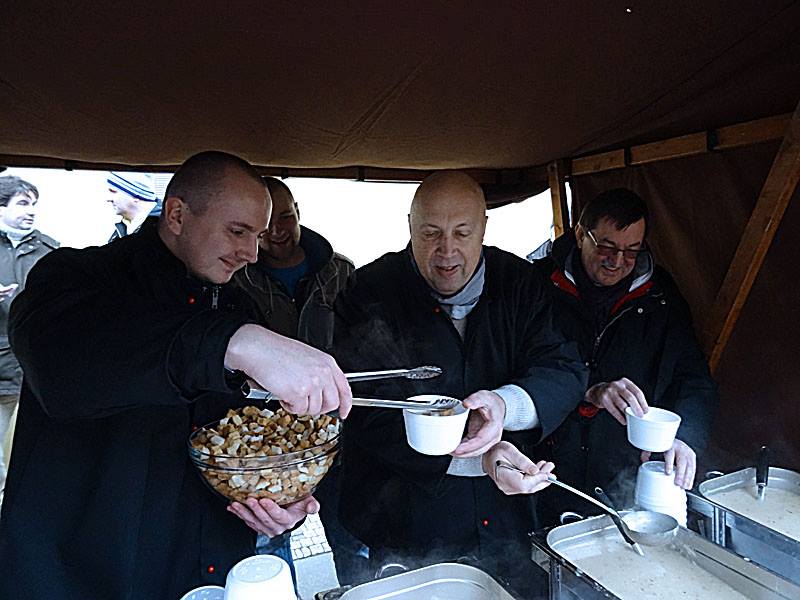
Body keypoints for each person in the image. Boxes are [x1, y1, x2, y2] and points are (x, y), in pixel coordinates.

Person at [0, 151, 353, 600]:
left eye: (258, 235)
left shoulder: (235, 307)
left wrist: (277, 502)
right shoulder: (76, 277)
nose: (251, 253)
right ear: (177, 214)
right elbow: (61, 369)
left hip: (208, 575)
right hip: (82, 576)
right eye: (238, 231)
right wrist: (234, 342)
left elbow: (236, 444)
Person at [332, 171, 586, 592]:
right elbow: (364, 408)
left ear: (484, 227)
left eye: (462, 233)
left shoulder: (520, 284)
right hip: (405, 517)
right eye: (430, 233)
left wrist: (506, 406)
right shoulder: (369, 290)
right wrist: (479, 461)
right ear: (410, 227)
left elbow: (563, 368)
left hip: (506, 513)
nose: (446, 251)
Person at [528, 187, 718, 524]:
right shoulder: (539, 285)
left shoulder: (660, 296)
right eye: (607, 247)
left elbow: (693, 376)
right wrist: (591, 389)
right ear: (579, 235)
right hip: (544, 465)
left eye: (631, 250)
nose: (617, 262)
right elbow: (518, 368)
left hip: (626, 470)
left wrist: (687, 437)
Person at [234, 177, 361, 581]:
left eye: (286, 217)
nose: (278, 232)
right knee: (270, 542)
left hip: (337, 430)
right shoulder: (237, 276)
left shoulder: (339, 271)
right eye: (267, 223)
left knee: (353, 534)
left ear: (298, 214)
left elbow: (364, 338)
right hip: (268, 440)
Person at [0, 176, 59, 504]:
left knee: (33, 454)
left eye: (33, 203)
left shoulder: (51, 250)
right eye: (23, 203)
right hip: (1, 371)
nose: (31, 211)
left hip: (36, 373)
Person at [106, 171, 160, 241]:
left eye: (113, 191)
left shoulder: (164, 229)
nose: (108, 199)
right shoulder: (121, 231)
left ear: (136, 195)